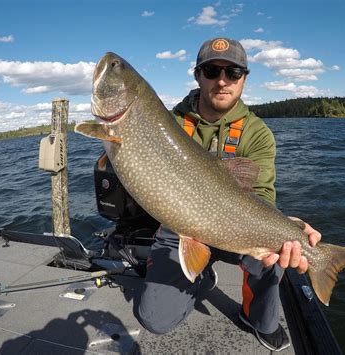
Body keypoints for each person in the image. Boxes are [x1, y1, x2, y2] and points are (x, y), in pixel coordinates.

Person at [134, 37, 322, 352]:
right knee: (153, 319)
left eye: (233, 72)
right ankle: (202, 277)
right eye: (211, 70)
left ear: (244, 78)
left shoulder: (257, 132)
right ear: (197, 75)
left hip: (237, 227)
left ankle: (255, 318)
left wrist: (287, 225)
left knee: (274, 254)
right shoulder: (169, 124)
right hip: (181, 228)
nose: (222, 80)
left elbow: (261, 193)